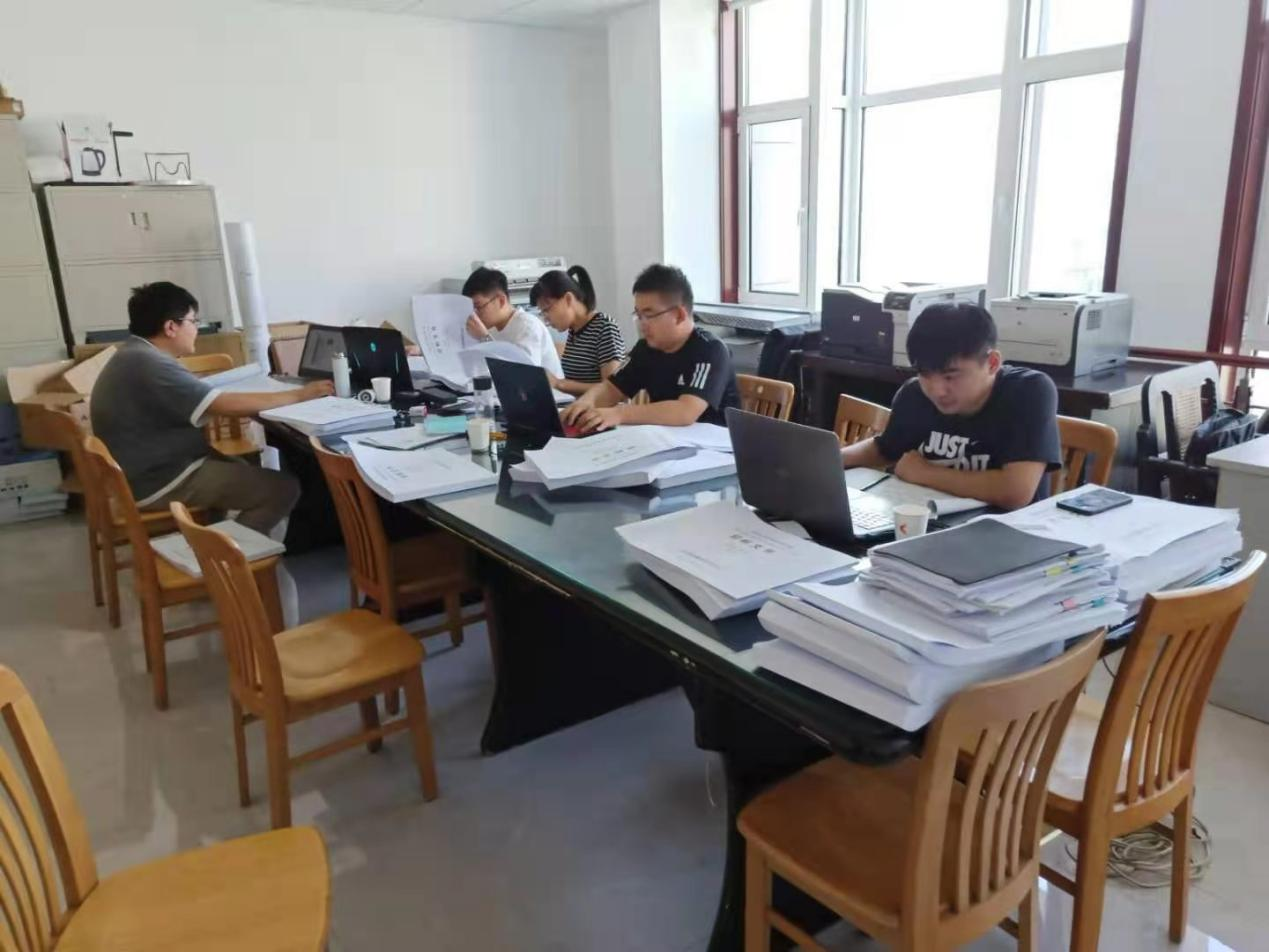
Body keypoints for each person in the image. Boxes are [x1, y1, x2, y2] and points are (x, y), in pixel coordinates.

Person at [91, 282, 334, 534]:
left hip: (147, 469)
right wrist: (299, 394)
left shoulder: (135, 353)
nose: (196, 329)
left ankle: (216, 538)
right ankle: (226, 556)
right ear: (171, 327)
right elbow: (220, 404)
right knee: (283, 489)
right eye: (193, 321)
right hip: (160, 479)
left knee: (241, 469)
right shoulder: (149, 363)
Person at [839, 302, 1061, 510]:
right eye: (925, 374)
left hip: (1008, 529)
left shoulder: (1028, 391)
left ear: (992, 363)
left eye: (950, 376)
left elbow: (1015, 492)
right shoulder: (915, 394)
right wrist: (831, 459)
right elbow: (884, 449)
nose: (937, 391)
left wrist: (924, 473)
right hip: (932, 521)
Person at [562, 264, 740, 432]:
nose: (642, 324)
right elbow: (612, 388)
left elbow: (685, 411)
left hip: (714, 448)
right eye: (638, 315)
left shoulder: (711, 350)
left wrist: (619, 413)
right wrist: (585, 403)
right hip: (665, 440)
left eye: (649, 315)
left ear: (679, 315)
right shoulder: (646, 348)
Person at [532, 266, 626, 396]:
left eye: (547, 310)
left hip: (600, 409)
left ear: (568, 299)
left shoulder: (604, 326)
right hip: (580, 406)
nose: (546, 319)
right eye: (542, 313)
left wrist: (559, 383)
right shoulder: (575, 330)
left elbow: (613, 390)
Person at [462, 267, 564, 378]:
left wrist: (484, 338)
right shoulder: (490, 327)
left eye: (478, 307)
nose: (474, 315)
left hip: (546, 389)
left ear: (501, 301)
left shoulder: (528, 326)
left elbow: (524, 376)